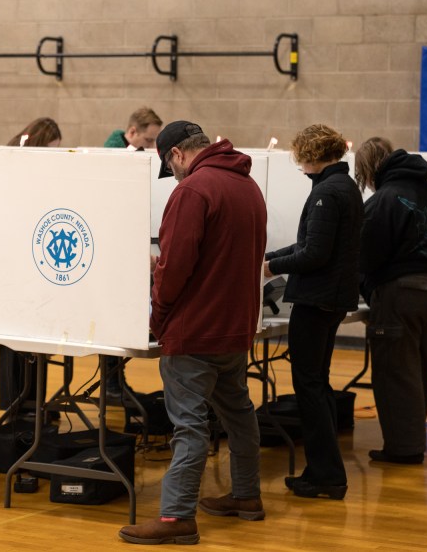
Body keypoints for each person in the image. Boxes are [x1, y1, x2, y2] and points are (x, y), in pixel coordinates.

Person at [119, 121, 267, 545]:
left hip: (196, 329)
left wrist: (158, 317)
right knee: (239, 415)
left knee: (189, 426)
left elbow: (177, 267)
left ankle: (176, 518)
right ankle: (247, 496)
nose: (175, 176)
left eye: (172, 166)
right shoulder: (248, 185)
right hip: (234, 327)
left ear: (177, 154)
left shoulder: (193, 191)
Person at [263, 124, 362, 500]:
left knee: (310, 387)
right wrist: (272, 255)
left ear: (311, 155)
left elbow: (314, 254)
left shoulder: (326, 193)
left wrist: (271, 268)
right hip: (331, 299)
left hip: (317, 300)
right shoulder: (344, 187)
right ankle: (325, 472)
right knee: (316, 385)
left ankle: (325, 475)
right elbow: (310, 243)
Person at [354, 137, 427, 464]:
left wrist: (367, 289)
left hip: (403, 292)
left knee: (396, 370)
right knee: (423, 367)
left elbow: (366, 256)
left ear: (370, 169)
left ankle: (403, 448)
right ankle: (411, 440)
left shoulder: (384, 199)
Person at [0, 117, 63, 420]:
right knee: (16, 346)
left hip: (31, 269)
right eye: (52, 149)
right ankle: (18, 408)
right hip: (12, 270)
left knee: (35, 347)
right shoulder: (11, 167)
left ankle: (31, 406)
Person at [101, 107, 164, 400]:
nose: (152, 148)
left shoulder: (135, 156)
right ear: (133, 132)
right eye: (148, 140)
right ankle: (112, 383)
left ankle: (115, 381)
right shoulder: (115, 157)